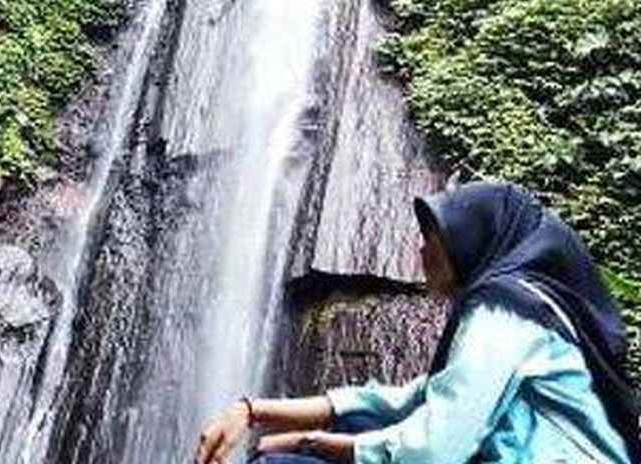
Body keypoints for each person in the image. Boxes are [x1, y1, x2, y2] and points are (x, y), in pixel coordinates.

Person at [193, 181, 641, 463]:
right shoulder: (526, 312)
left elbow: (434, 449)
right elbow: (408, 401)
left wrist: (307, 442)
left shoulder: (505, 313)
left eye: (434, 236)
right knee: (348, 428)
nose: (421, 251)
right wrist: (251, 410)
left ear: (473, 240)